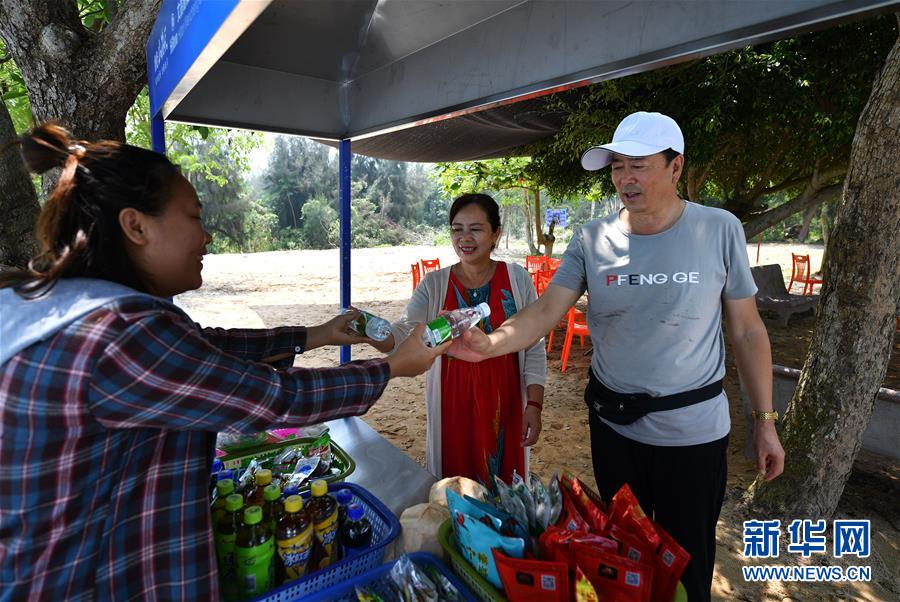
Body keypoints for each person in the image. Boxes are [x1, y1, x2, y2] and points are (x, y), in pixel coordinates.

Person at [0, 124, 445, 600]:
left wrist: (315, 334)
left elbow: (200, 349)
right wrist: (393, 366)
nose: (207, 235)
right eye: (194, 216)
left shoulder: (64, 306)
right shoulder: (120, 333)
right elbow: (276, 400)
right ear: (136, 226)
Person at [450, 112, 785, 602]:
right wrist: (490, 343)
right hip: (615, 428)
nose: (625, 178)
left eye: (639, 165)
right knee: (623, 558)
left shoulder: (719, 229)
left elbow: (748, 329)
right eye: (617, 167)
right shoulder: (592, 238)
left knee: (687, 561)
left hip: (693, 432)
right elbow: (546, 309)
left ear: (676, 168)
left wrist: (765, 419)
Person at [368, 194, 547, 487]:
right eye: (457, 228)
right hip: (451, 406)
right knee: (452, 490)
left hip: (508, 403)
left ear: (495, 234)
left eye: (475, 229)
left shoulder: (517, 280)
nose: (465, 237)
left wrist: (534, 405)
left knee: (505, 489)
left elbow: (534, 347)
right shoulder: (434, 284)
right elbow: (402, 335)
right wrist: (368, 329)